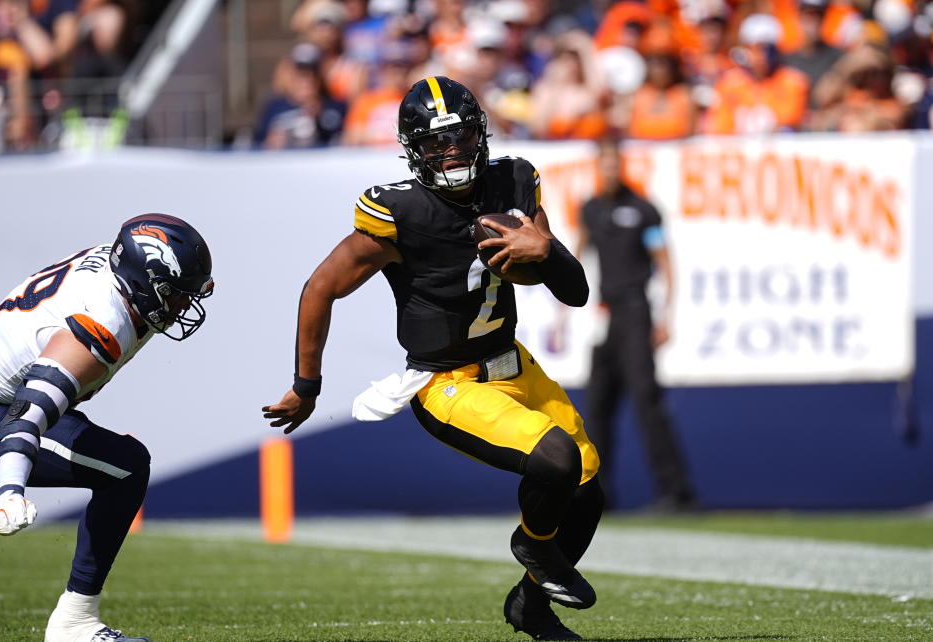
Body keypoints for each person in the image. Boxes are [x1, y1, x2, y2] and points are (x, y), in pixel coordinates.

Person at [263, 76, 603, 641]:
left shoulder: (513, 181)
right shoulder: (400, 213)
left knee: (587, 489)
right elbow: (321, 286)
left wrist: (546, 250)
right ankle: (533, 545)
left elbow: (576, 292)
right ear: (411, 150)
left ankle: (531, 606)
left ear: (481, 135)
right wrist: (307, 383)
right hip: (446, 380)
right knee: (557, 460)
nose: (452, 153)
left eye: (462, 138)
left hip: (511, 362)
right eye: (435, 143)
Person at [0, 213, 214, 642]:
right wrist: (12, 488)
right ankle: (75, 624)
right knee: (126, 467)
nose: (182, 307)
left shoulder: (119, 272)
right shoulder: (99, 322)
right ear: (144, 282)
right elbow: (25, 414)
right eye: (175, 295)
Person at [576, 138, 696, 513]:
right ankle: (597, 495)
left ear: (622, 167)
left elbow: (665, 263)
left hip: (636, 310)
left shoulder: (642, 209)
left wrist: (665, 317)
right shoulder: (591, 210)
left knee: (646, 402)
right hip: (606, 314)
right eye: (604, 165)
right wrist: (565, 313)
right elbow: (579, 255)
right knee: (597, 406)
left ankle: (676, 492)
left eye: (615, 165)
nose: (610, 172)